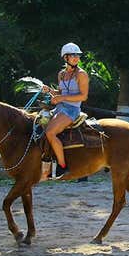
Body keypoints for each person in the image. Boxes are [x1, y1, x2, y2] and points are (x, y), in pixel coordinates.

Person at [41, 42, 90, 180]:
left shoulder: (81, 74)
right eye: (73, 55)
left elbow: (83, 96)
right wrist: (50, 91)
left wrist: (61, 97)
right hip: (60, 108)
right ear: (65, 57)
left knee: (50, 132)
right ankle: (47, 160)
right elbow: (60, 92)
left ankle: (62, 167)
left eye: (77, 55)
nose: (76, 58)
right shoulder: (61, 74)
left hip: (72, 110)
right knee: (38, 124)